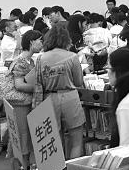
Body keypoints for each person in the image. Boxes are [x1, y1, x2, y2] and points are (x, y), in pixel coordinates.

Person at [24, 23, 86, 158]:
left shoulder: (41, 58)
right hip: (70, 97)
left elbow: (34, 81)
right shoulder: (72, 56)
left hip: (49, 98)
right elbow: (78, 82)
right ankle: (73, 169)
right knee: (76, 141)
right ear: (67, 39)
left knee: (53, 141)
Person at [9, 30, 43, 169]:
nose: (42, 43)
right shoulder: (20, 62)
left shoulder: (30, 61)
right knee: (21, 136)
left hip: (27, 104)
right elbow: (19, 85)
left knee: (26, 137)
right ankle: (20, 169)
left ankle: (25, 168)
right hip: (20, 106)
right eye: (40, 40)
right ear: (31, 42)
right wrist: (38, 88)